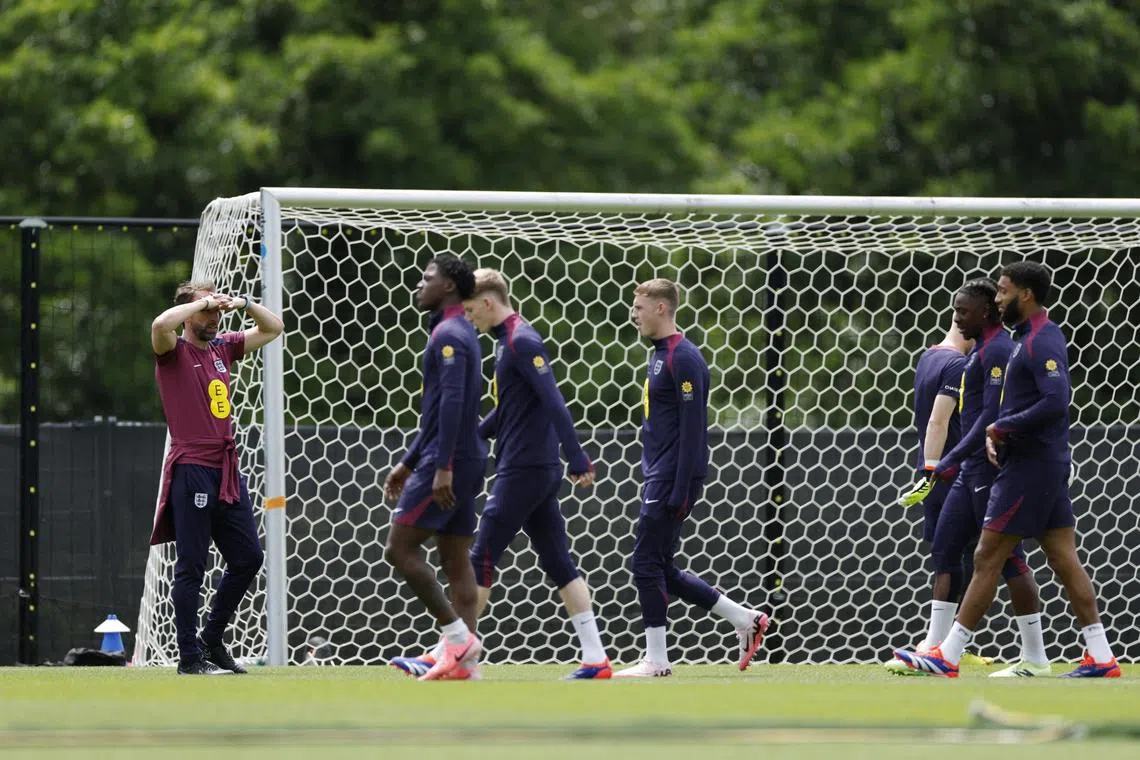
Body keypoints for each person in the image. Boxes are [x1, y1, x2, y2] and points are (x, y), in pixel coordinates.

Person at [893, 261, 1120, 678]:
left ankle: (947, 654)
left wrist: (1001, 427)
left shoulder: (1039, 342)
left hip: (1029, 467)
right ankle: (1101, 655)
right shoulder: (1022, 340)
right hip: (1040, 463)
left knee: (988, 555)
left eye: (1003, 291)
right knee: (1061, 556)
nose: (998, 300)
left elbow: (1056, 401)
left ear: (1026, 295)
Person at [892, 279, 1047, 677]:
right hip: (965, 470)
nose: (957, 318)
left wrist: (944, 460)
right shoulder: (976, 353)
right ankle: (934, 648)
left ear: (987, 313)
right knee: (946, 549)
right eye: (956, 310)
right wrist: (944, 463)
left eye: (963, 311)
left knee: (1007, 559)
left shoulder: (996, 352)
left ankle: (1034, 657)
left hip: (988, 471)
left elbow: (985, 418)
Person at [616, 278, 770, 678]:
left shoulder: (683, 358)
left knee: (644, 563)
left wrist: (680, 489)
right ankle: (745, 619)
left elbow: (693, 428)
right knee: (662, 568)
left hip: (671, 477)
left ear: (662, 308)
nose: (634, 314)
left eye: (639, 307)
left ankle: (657, 661)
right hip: (659, 475)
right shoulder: (658, 355)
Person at [150, 281, 283, 675]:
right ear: (189, 315)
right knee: (192, 564)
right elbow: (160, 324)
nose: (214, 317)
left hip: (225, 467)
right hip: (192, 468)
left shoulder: (224, 347)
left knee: (248, 557)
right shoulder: (174, 351)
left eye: (217, 312)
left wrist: (242, 302)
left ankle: (211, 639)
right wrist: (201, 302)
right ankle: (189, 659)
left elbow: (273, 328)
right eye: (206, 312)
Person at [383, 254, 488, 681]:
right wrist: (408, 461)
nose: (418, 285)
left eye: (427, 278)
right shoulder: (454, 331)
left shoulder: (449, 335)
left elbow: (452, 405)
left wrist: (439, 466)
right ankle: (464, 663)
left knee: (400, 550)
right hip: (461, 459)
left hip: (450, 462)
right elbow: (437, 409)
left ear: (448, 288)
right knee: (455, 559)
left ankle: (457, 638)